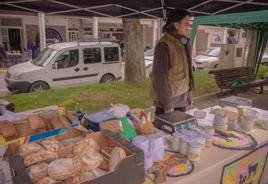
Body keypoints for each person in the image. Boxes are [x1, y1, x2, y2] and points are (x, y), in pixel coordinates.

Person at [150, 9, 195, 116]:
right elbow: (160, 76)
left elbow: (187, 72)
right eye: (186, 22)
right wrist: (168, 104)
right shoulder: (164, 45)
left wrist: (189, 95)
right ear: (176, 25)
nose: (188, 25)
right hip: (168, 104)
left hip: (181, 100)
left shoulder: (183, 43)